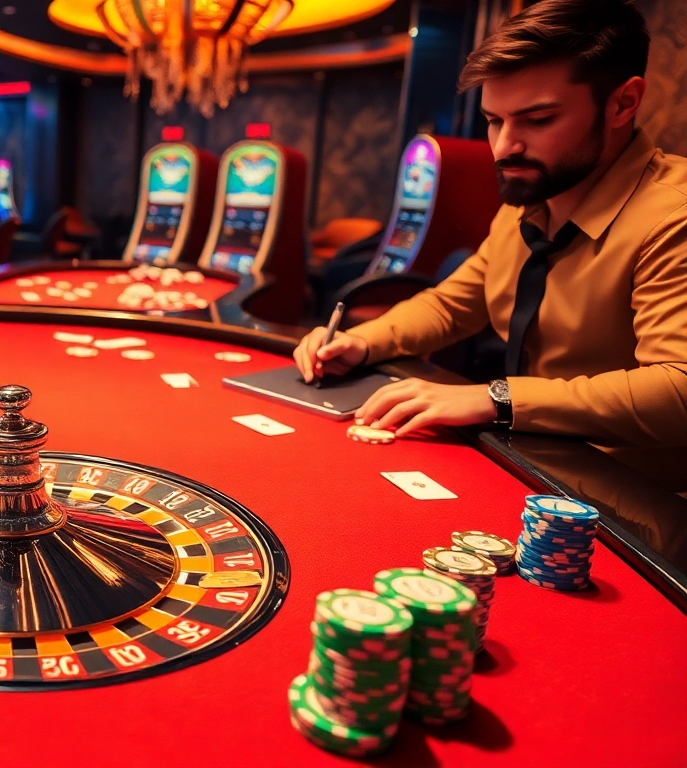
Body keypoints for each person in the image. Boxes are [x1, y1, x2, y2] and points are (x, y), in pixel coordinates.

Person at [292, 0, 687, 487]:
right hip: (533, 462)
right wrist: (361, 341)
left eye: (537, 120)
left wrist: (497, 397)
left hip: (641, 504)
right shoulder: (529, 203)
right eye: (494, 120)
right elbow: (454, 305)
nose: (503, 147)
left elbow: (679, 391)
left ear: (623, 103)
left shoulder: (674, 217)